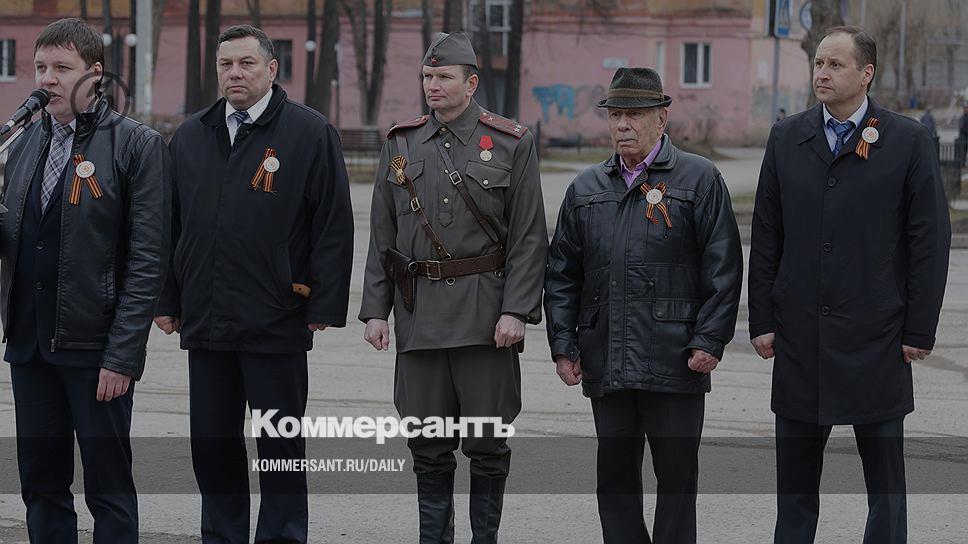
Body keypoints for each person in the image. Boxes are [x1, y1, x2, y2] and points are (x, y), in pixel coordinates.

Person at [748, 26, 951, 544]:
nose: (822, 72)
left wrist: (919, 329)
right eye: (819, 63)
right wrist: (762, 319)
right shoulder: (786, 138)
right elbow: (767, 235)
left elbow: (929, 241)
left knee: (885, 488)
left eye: (835, 64)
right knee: (795, 489)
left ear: (866, 74)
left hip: (877, 338)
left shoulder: (907, 140)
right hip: (800, 338)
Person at [153, 25, 354, 543]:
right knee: (212, 446)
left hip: (277, 318)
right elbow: (170, 225)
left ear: (271, 68)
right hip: (207, 319)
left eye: (246, 63)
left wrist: (323, 304)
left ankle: (282, 535)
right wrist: (167, 298)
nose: (235, 73)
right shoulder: (192, 136)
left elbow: (332, 224)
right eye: (226, 64)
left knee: (279, 449)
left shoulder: (309, 133)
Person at [359, 32, 547, 544]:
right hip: (418, 314)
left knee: (487, 443)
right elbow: (382, 234)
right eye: (427, 76)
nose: (433, 85)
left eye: (444, 76)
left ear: (472, 82)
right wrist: (375, 310)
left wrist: (517, 311)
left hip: (486, 317)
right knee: (426, 443)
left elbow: (529, 237)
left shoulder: (510, 142)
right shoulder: (401, 143)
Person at [544, 67, 743, 544]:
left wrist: (710, 339)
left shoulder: (699, 179)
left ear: (662, 118)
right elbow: (562, 276)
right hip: (607, 358)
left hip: (676, 359)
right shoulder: (585, 189)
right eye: (616, 115)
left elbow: (724, 268)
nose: (623, 125)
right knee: (614, 481)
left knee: (676, 481)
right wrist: (563, 345)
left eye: (634, 115)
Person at [0, 18, 170, 543]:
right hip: (30, 345)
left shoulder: (136, 145)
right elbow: (18, 238)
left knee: (108, 486)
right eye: (40, 67)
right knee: (41, 482)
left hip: (95, 349)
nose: (47, 79)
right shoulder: (22, 143)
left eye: (61, 67)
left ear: (95, 74)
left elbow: (148, 260)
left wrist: (122, 356)